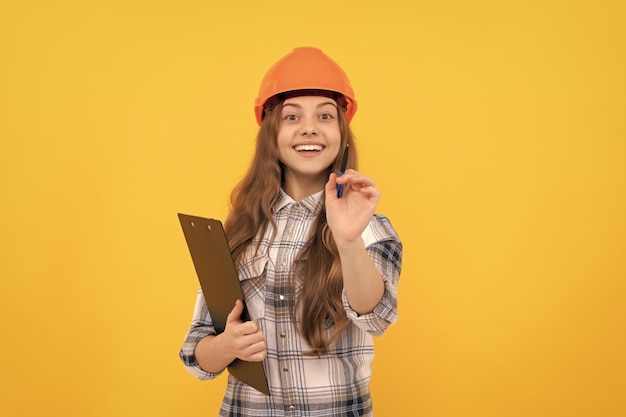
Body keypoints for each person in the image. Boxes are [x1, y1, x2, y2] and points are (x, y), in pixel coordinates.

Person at [180, 46, 402, 417]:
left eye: (325, 116)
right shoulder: (241, 230)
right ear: (271, 133)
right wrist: (227, 346)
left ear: (342, 132)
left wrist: (348, 241)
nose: (309, 127)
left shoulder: (370, 229)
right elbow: (196, 351)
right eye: (292, 116)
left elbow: (375, 316)